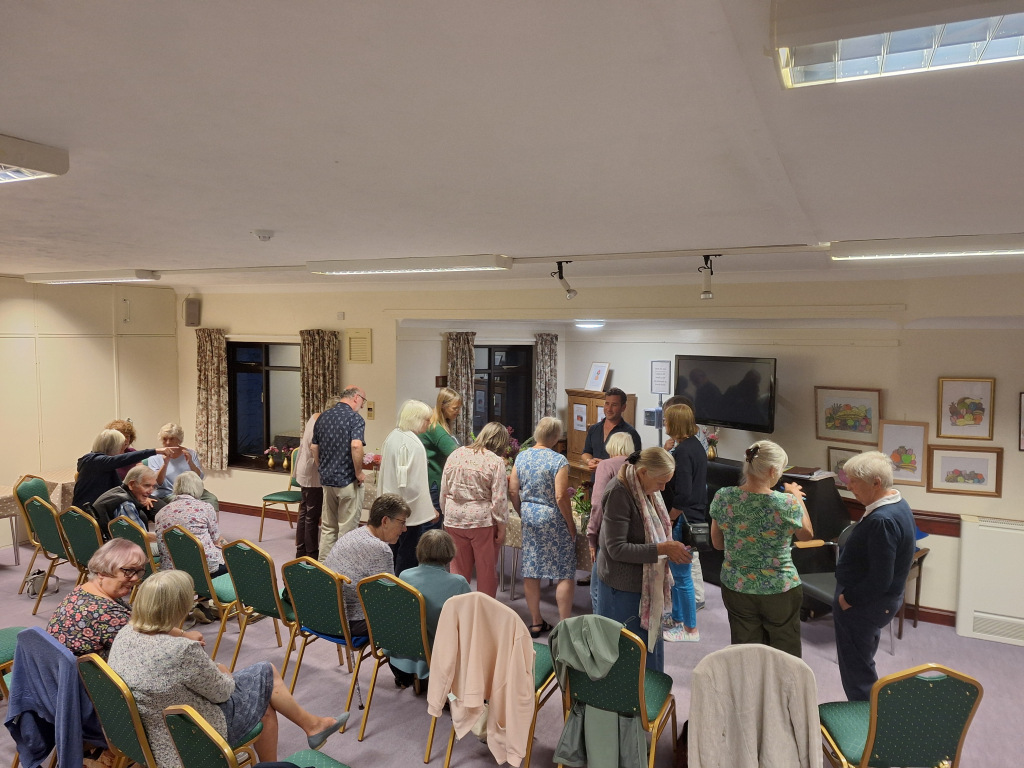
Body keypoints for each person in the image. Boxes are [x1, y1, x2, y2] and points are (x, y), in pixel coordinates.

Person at [107, 570, 347, 768]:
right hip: (192, 735)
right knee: (265, 675)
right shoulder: (181, 650)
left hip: (145, 728)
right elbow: (222, 692)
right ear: (178, 608)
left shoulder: (126, 633)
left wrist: (181, 633)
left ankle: (308, 730)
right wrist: (222, 671)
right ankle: (304, 733)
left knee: (264, 693)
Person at [709, 440, 814, 658]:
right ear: (774, 470)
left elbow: (717, 544)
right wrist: (796, 497)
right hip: (780, 588)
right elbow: (806, 535)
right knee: (784, 653)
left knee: (746, 651)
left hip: (736, 585)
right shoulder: (786, 503)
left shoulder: (724, 497)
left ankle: (750, 690)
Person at [596, 447, 691, 673]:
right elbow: (616, 549)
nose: (663, 488)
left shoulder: (646, 490)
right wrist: (662, 548)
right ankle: (628, 702)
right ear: (643, 472)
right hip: (622, 587)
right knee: (627, 653)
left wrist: (667, 550)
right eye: (660, 482)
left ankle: (647, 699)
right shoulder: (619, 492)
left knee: (648, 648)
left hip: (646, 584)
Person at [833, 451, 916, 701]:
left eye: (854, 482)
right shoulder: (896, 503)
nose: (849, 487)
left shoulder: (882, 520)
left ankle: (865, 726)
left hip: (863, 605)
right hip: (874, 604)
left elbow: (881, 578)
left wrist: (848, 599)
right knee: (862, 660)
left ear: (876, 483)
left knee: (857, 672)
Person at [46, 539, 204, 659]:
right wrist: (186, 640)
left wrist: (184, 634)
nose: (135, 579)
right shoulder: (106, 614)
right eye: (128, 571)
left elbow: (142, 624)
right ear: (102, 571)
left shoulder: (83, 591)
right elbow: (153, 646)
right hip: (91, 686)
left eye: (140, 572)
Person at [509, 416, 575, 635]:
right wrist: (570, 524)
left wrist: (521, 511)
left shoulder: (522, 457)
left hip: (529, 515)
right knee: (564, 571)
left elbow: (512, 490)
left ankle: (536, 621)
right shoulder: (558, 461)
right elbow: (560, 496)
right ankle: (564, 625)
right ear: (555, 437)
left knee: (531, 569)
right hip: (552, 517)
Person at [391, 529, 471, 689]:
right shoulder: (458, 583)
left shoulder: (404, 576)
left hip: (408, 647)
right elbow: (471, 622)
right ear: (450, 552)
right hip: (442, 649)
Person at [323, 494, 410, 637]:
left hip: (325, 613)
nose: (405, 529)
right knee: (412, 615)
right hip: (350, 620)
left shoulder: (354, 534)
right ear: (385, 521)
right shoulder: (380, 549)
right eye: (402, 522)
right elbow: (390, 598)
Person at [440, 421, 510, 598]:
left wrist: (447, 513)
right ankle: (484, 612)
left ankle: (458, 608)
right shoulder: (495, 461)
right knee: (486, 572)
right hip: (482, 522)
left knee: (457, 572)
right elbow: (499, 499)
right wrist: (502, 528)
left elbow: (444, 491)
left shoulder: (456, 454)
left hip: (453, 518)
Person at [660, 404, 705, 642]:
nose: (664, 424)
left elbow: (684, 492)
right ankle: (677, 617)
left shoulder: (686, 451)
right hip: (690, 516)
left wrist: (671, 518)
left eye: (667, 420)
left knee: (682, 575)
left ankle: (690, 629)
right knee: (677, 573)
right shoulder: (693, 445)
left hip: (683, 519)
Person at [380, 400, 439, 573]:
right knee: (408, 553)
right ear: (417, 419)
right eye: (427, 420)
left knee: (394, 548)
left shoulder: (393, 436)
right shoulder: (414, 444)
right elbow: (415, 485)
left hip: (391, 505)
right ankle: (404, 588)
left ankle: (392, 583)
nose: (429, 424)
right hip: (408, 510)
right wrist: (429, 510)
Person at [312, 385, 367, 561]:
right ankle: (342, 568)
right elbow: (356, 445)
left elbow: (314, 447)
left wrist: (323, 467)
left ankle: (324, 569)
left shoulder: (323, 417)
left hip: (327, 481)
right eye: (363, 401)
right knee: (347, 529)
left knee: (328, 527)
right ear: (356, 398)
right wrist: (359, 473)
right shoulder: (354, 418)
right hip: (347, 481)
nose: (363, 406)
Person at [72, 428, 180, 510]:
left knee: (156, 506)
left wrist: (141, 496)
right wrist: (156, 451)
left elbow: (120, 487)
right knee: (148, 511)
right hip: (91, 511)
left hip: (106, 505)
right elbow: (124, 459)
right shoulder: (94, 461)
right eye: (121, 446)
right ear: (112, 446)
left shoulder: (103, 464)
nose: (122, 450)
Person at [585, 432, 633, 612]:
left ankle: (601, 631)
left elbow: (597, 503)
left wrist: (591, 536)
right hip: (633, 532)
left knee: (598, 588)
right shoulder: (638, 465)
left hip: (609, 534)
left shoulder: (606, 466)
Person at [293, 396, 342, 559]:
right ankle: (311, 553)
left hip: (305, 470)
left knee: (305, 511)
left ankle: (301, 550)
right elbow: (315, 448)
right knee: (312, 515)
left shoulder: (315, 416)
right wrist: (323, 467)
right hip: (313, 473)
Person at [154, 471, 227, 577]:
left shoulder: (161, 512)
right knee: (236, 562)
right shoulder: (206, 508)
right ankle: (209, 592)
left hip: (170, 568)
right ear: (199, 489)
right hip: (202, 568)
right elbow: (216, 540)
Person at [147, 423, 218, 509]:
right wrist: (165, 464)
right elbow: (157, 483)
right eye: (165, 439)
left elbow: (200, 478)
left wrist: (190, 463)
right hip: (169, 493)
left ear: (179, 439)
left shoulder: (190, 453)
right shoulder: (154, 457)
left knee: (212, 499)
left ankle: (211, 522)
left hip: (192, 491)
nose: (168, 442)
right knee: (186, 503)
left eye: (172, 439)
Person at [90, 464, 166, 541]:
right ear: (131, 484)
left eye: (153, 487)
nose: (150, 491)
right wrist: (166, 538)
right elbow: (141, 537)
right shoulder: (126, 504)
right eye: (146, 486)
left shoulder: (118, 491)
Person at [420, 387, 463, 514]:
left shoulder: (438, 425)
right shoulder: (436, 428)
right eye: (455, 408)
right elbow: (456, 454)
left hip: (433, 482)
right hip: (434, 483)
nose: (458, 412)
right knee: (432, 528)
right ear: (443, 406)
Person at [580, 388, 641, 469]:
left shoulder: (630, 433)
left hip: (617, 480)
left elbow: (635, 463)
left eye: (614, 405)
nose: (609, 409)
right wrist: (589, 461)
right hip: (596, 479)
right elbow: (586, 452)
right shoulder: (594, 429)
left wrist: (606, 465)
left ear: (623, 407)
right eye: (607, 404)